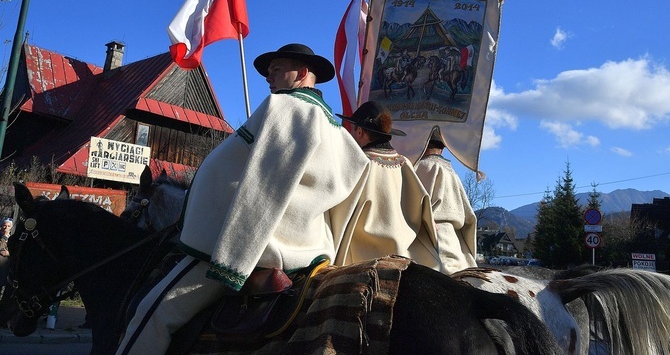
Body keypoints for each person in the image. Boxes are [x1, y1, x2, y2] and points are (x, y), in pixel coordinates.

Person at [116, 44, 370, 355]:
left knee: (152, 315)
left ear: (302, 73)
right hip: (309, 255)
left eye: (276, 69)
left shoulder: (286, 109)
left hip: (253, 249)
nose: (268, 77)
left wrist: (233, 262)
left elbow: (263, 187)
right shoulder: (339, 133)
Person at [334, 101, 442, 271]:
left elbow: (337, 214)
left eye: (353, 130)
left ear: (360, 131)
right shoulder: (404, 163)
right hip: (404, 259)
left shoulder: (359, 163)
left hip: (360, 264)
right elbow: (424, 212)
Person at [414, 127, 478, 272]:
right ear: (443, 149)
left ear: (422, 144)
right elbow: (470, 218)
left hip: (427, 244)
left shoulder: (419, 167)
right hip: (454, 245)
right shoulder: (452, 173)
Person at [0, 218, 12, 301]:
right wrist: (4, 237)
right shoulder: (2, 238)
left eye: (8, 226)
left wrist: (9, 253)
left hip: (7, 271)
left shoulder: (13, 238)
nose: (6, 228)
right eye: (4, 226)